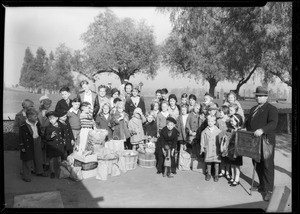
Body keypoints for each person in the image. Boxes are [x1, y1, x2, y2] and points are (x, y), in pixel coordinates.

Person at [244, 86, 278, 201]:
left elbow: (273, 123)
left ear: (266, 97)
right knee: (256, 163)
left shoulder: (271, 109)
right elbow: (248, 122)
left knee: (267, 165)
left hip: (266, 141)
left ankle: (269, 190)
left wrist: (262, 130)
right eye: (257, 96)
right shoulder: (253, 108)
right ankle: (262, 185)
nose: (258, 98)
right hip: (254, 141)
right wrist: (244, 128)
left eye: (261, 96)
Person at [19, 108, 47, 182]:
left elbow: (40, 131)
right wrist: (22, 146)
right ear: (29, 117)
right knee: (27, 159)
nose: (36, 117)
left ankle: (39, 171)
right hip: (28, 143)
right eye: (35, 116)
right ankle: (26, 175)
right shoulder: (23, 126)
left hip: (37, 140)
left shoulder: (37, 123)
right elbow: (21, 137)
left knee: (38, 157)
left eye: (36, 116)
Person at [224, 114, 244, 187]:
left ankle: (237, 179)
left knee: (237, 165)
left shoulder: (240, 130)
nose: (231, 122)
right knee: (232, 164)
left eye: (232, 121)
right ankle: (232, 177)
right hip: (231, 149)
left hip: (237, 150)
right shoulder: (233, 129)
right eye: (231, 121)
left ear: (237, 121)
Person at [200, 115, 222, 182]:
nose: (210, 122)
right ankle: (208, 174)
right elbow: (202, 141)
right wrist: (202, 148)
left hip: (216, 149)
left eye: (212, 121)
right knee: (208, 162)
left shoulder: (218, 131)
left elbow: (221, 141)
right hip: (208, 149)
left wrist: (221, 149)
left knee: (216, 163)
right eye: (208, 121)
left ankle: (216, 175)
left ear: (215, 122)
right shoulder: (204, 131)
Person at [44, 111, 65, 179]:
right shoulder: (48, 127)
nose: (51, 120)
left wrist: (64, 141)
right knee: (51, 160)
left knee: (59, 159)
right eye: (49, 119)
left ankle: (60, 171)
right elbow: (45, 137)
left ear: (57, 118)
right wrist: (51, 136)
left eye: (52, 119)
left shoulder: (61, 125)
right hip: (52, 146)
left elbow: (63, 134)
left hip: (59, 145)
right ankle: (52, 172)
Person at [216, 105, 231, 179]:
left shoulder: (229, 120)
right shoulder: (218, 121)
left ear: (225, 111)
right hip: (220, 140)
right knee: (221, 156)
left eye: (221, 112)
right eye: (219, 112)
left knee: (227, 157)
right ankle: (222, 171)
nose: (220, 113)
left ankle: (228, 172)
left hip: (227, 141)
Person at [37, 96, 52, 171]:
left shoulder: (49, 111)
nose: (48, 106)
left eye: (49, 104)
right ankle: (43, 163)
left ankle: (47, 163)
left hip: (48, 132)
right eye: (46, 104)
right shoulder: (40, 112)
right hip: (42, 132)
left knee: (47, 149)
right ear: (43, 104)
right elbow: (41, 124)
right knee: (42, 149)